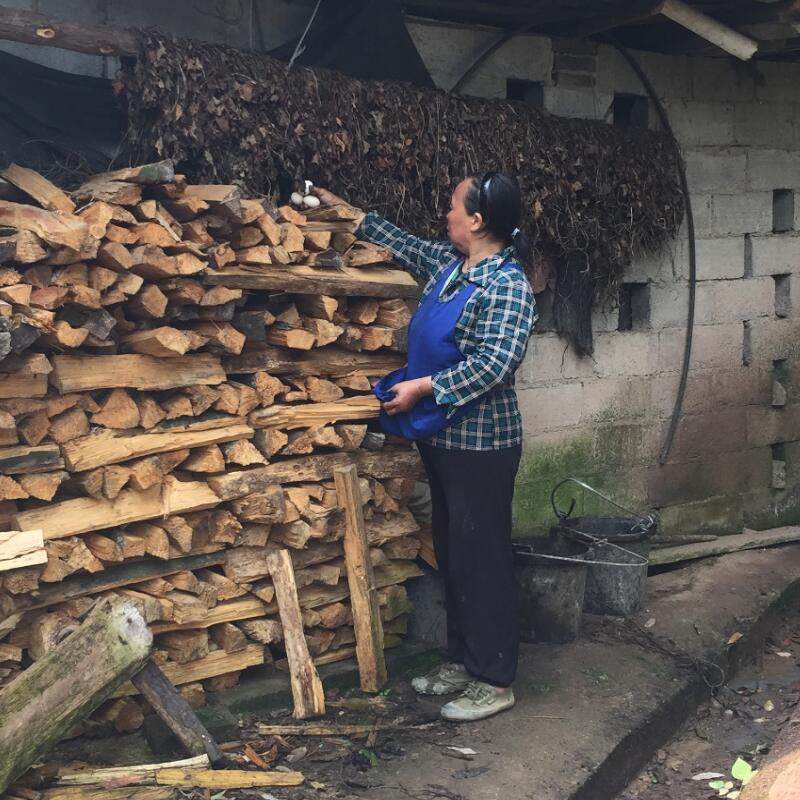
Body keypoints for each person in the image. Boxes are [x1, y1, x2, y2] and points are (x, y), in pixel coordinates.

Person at [313, 173, 537, 722]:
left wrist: (424, 387)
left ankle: (495, 678)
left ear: (478, 220)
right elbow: (407, 244)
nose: (446, 215)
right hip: (443, 437)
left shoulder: (506, 286)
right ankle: (463, 660)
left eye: (453, 208)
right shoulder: (452, 267)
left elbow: (494, 363)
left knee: (482, 557)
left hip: (483, 444)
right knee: (454, 551)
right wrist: (353, 214)